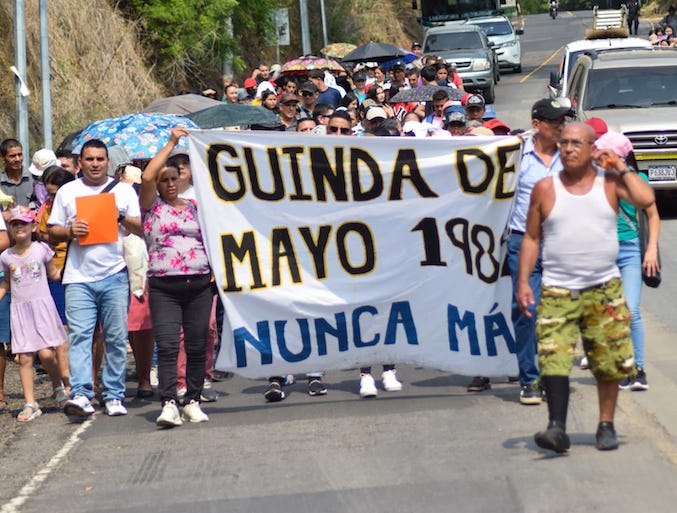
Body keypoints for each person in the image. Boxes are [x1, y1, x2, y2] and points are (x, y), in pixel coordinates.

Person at [517, 122, 655, 453]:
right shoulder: (545, 188)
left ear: (593, 148)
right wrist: (523, 281)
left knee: (607, 361)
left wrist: (619, 167)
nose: (568, 149)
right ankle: (556, 427)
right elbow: (532, 237)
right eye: (564, 143)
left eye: (576, 143)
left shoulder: (609, 184)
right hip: (557, 289)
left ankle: (606, 424)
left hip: (603, 288)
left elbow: (645, 198)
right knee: (553, 357)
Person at [470, 98, 569, 400]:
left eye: (563, 121)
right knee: (527, 310)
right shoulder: (515, 156)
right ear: (537, 125)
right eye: (555, 122)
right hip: (523, 241)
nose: (561, 126)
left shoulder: (571, 155)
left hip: (562, 242)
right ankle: (530, 378)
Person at [48, 139, 142, 418]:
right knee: (80, 337)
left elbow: (141, 227)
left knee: (116, 337)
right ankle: (81, 393)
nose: (95, 164)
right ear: (80, 163)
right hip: (78, 277)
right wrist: (69, 231)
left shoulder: (124, 191)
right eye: (89, 159)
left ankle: (113, 394)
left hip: (115, 274)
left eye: (100, 159)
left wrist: (120, 216)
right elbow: (52, 231)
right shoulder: (67, 192)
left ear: (108, 162)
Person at [140, 127, 213, 427]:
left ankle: (192, 400)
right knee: (169, 346)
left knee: (196, 345)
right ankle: (169, 402)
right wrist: (172, 142)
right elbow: (146, 176)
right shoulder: (151, 207)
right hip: (165, 286)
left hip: (199, 284)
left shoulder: (195, 206)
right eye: (164, 180)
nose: (170, 184)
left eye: (174, 178)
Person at [593, 131, 660, 391]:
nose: (598, 159)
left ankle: (638, 368)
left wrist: (651, 249)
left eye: (604, 155)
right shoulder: (594, 181)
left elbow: (652, 215)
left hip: (631, 250)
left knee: (631, 310)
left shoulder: (639, 181)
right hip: (601, 253)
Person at [0, 206, 67, 421]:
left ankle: (58, 386)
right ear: (9, 228)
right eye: (14, 224)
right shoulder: (6, 256)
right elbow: (7, 283)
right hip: (20, 311)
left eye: (23, 223)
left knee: (47, 354)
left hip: (42, 309)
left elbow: (54, 274)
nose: (19, 227)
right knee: (24, 358)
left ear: (34, 226)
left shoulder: (41, 249)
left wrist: (70, 269)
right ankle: (30, 403)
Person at [0, 139, 34, 216]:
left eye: (20, 155)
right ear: (2, 158)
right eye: (12, 156)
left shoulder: (33, 179)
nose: (18, 159)